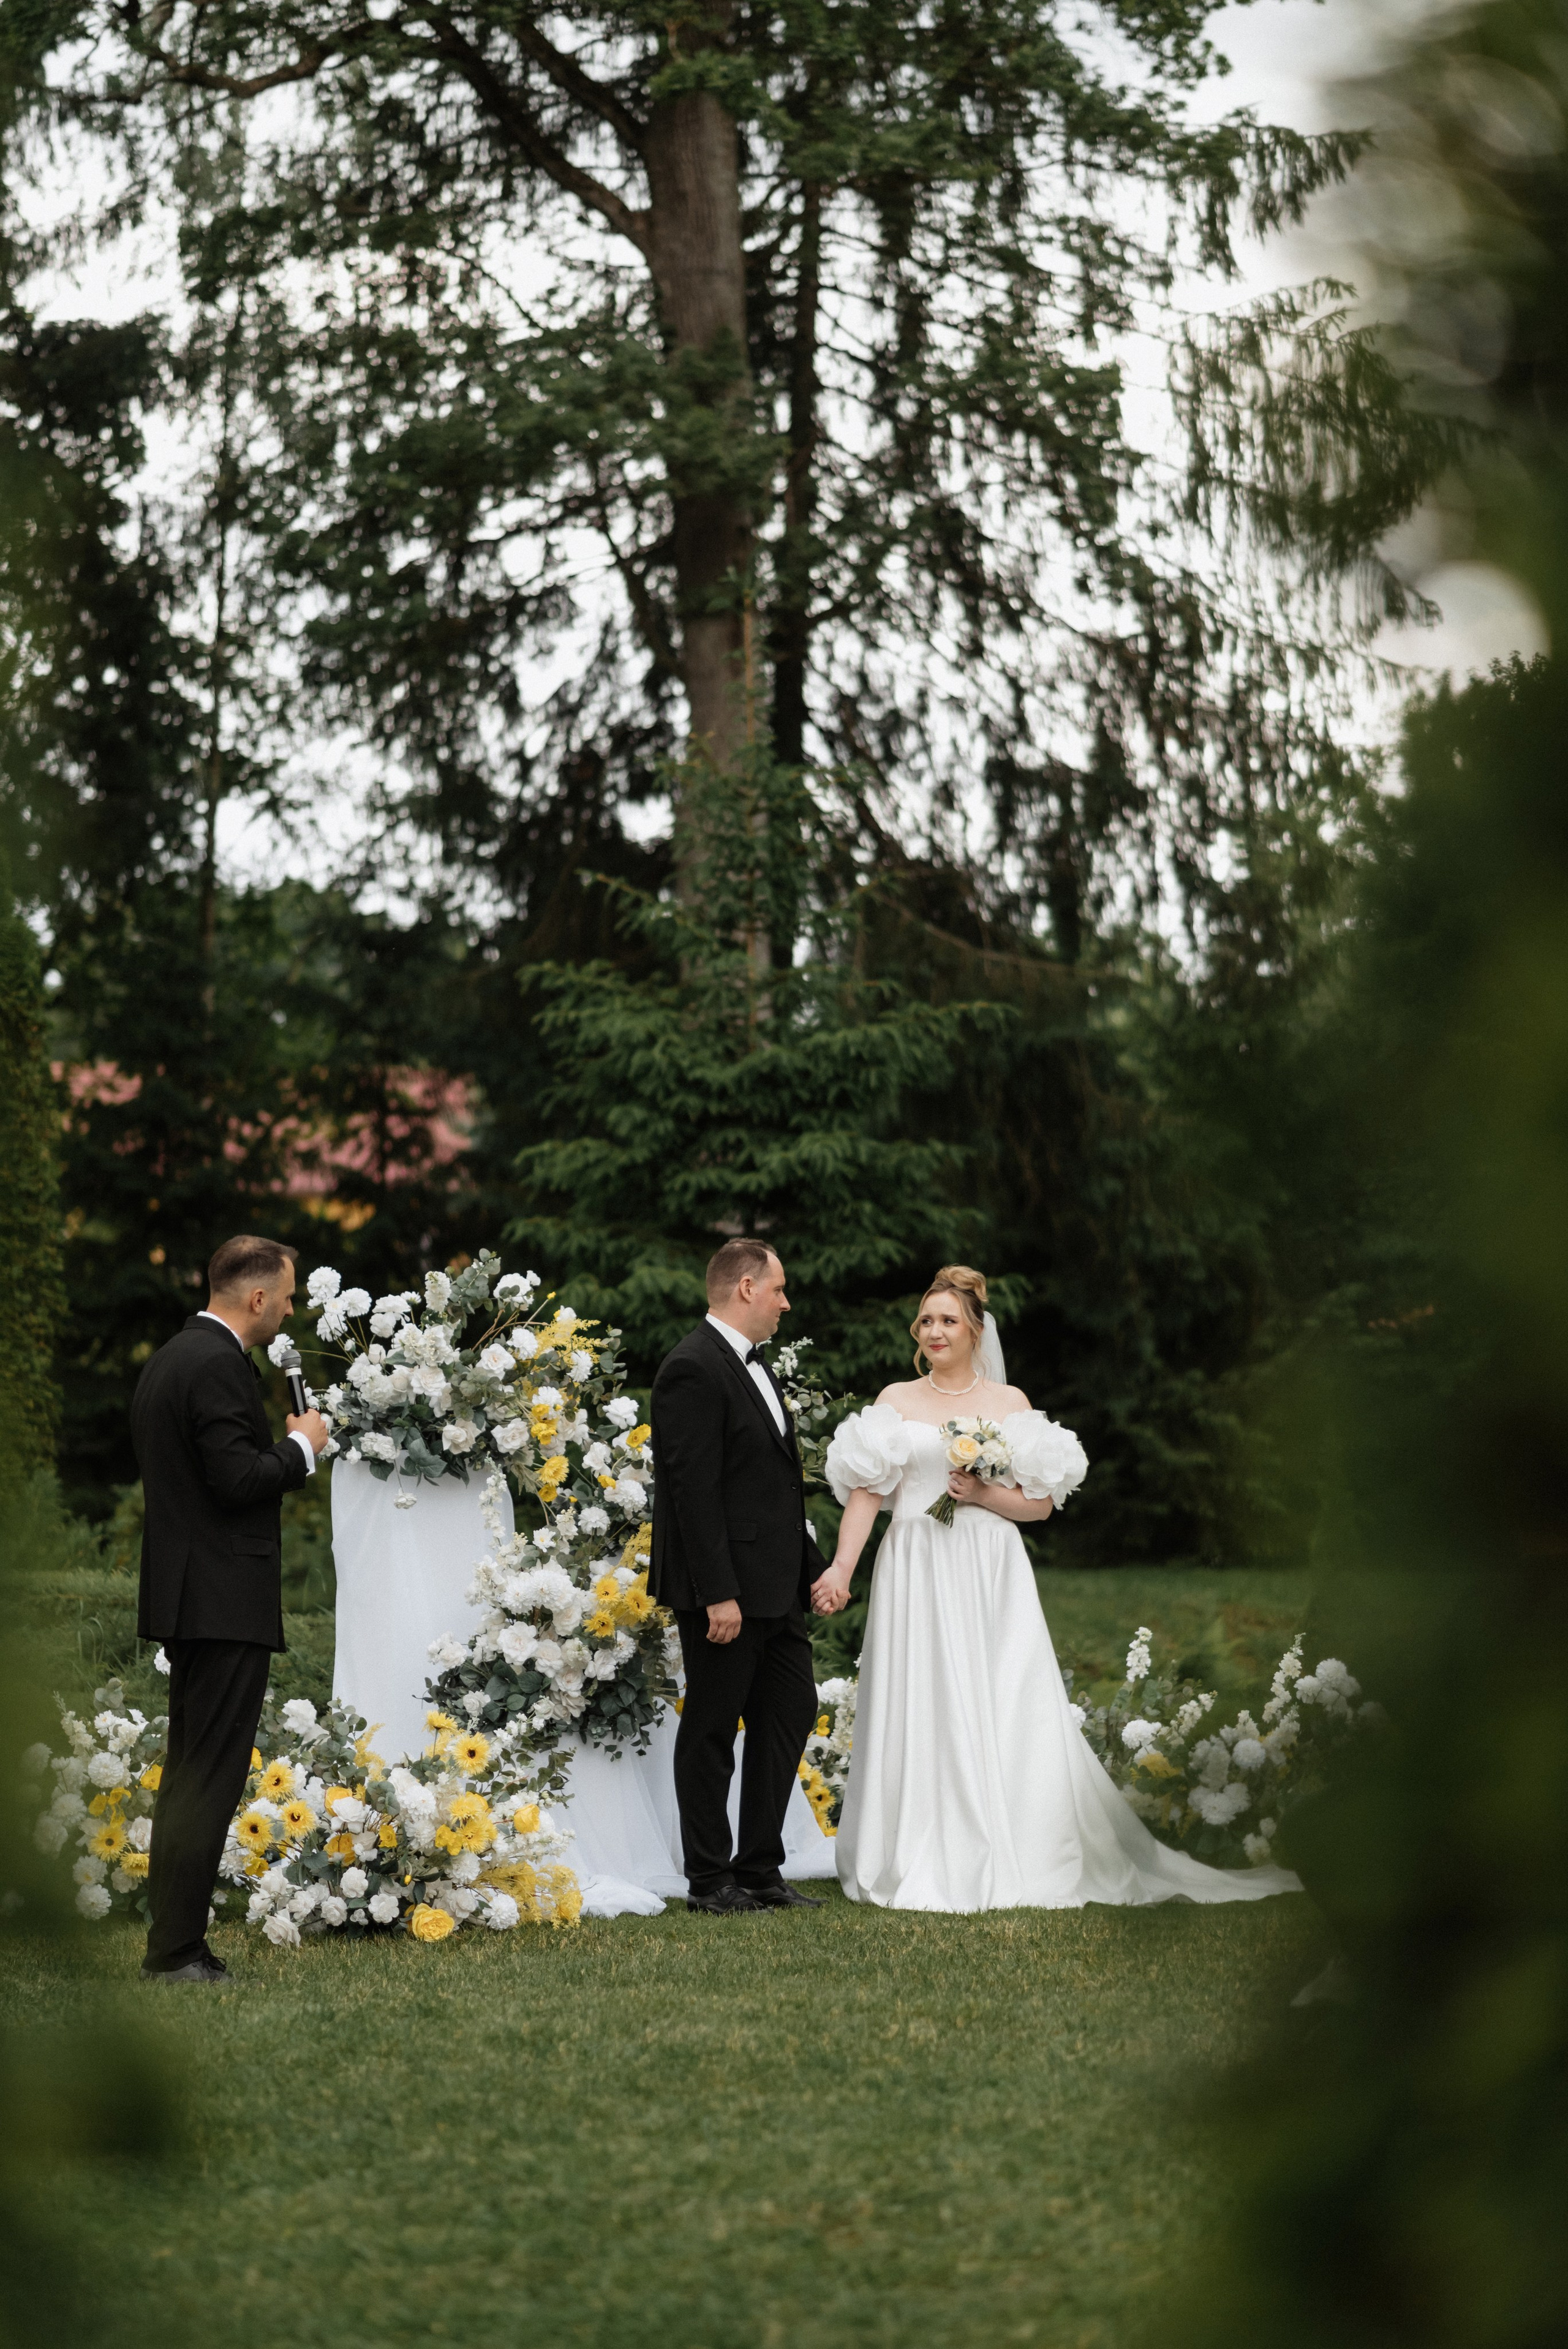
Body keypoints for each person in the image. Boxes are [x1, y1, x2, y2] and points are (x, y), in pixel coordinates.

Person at [812, 1265, 1302, 1912]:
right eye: (926, 1320)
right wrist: (842, 1568)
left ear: (975, 1330)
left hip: (987, 1568)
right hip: (915, 1566)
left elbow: (1039, 1507)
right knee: (919, 1693)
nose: (934, 1330)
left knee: (1000, 1697)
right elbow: (869, 1496)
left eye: (948, 1320)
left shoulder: (1010, 1406)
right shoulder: (895, 1400)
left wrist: (984, 1492)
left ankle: (1011, 1843)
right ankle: (911, 1848)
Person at [132, 1235, 329, 1981]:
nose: (289, 1307)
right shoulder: (216, 1364)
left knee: (191, 1771)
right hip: (220, 1599)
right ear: (255, 1299)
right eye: (287, 1294)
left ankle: (173, 1942)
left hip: (192, 1595)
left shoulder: (173, 1357)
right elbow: (234, 1480)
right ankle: (177, 1950)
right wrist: (301, 1448)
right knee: (207, 1776)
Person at [649, 1240, 830, 1915]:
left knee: (790, 1710)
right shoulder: (692, 1368)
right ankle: (708, 1878)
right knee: (713, 1729)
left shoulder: (752, 1364)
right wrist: (717, 1592)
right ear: (746, 1287)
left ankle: (758, 1867)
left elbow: (772, 1487)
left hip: (775, 1585)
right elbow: (692, 1493)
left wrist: (812, 1570)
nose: (786, 1302)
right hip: (723, 1590)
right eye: (779, 1289)